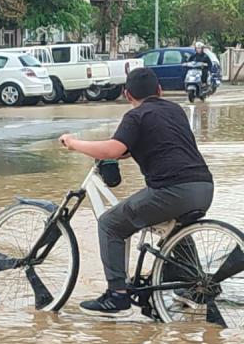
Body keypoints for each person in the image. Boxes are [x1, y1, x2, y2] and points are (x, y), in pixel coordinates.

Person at [59, 68, 214, 316]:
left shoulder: (136, 116)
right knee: (174, 227)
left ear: (127, 94)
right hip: (204, 188)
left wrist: (74, 144)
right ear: (160, 90)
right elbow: (146, 145)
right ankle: (192, 284)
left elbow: (112, 149)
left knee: (110, 224)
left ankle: (117, 294)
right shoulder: (175, 110)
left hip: (172, 191)